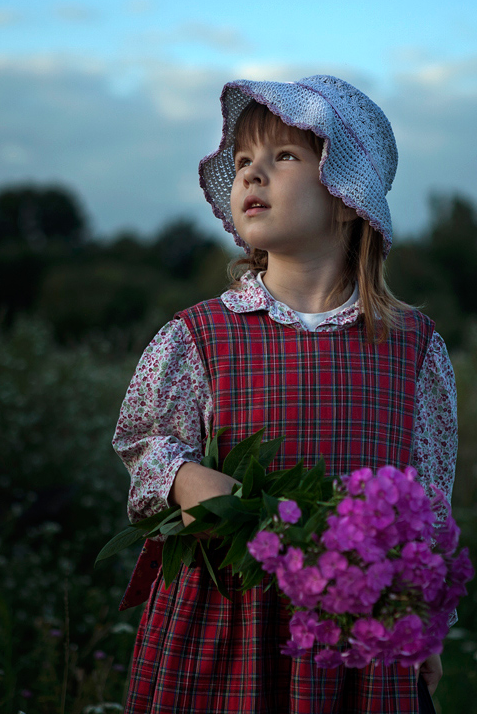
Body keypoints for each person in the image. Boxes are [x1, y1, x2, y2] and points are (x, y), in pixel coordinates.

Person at [113, 75, 458, 713]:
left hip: (354, 635)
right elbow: (145, 442)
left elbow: (428, 503)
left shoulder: (411, 349)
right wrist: (186, 479)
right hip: (225, 624)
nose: (252, 174)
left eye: (284, 157)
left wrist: (422, 619)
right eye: (244, 161)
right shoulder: (200, 336)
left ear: (348, 198)